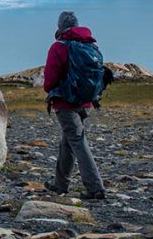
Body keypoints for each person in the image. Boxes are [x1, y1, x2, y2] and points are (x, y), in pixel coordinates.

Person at [43, 10, 106, 199]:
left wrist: (51, 91)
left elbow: (50, 80)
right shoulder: (89, 46)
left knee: (77, 141)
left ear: (60, 26)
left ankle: (95, 187)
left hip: (65, 103)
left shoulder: (59, 47)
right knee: (68, 142)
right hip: (85, 101)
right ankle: (60, 184)